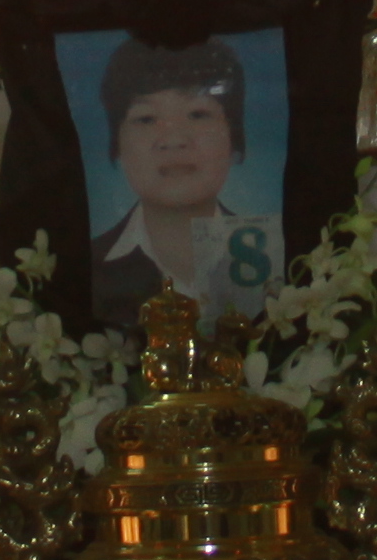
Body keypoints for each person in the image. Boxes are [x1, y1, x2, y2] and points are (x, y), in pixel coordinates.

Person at [86, 34, 284, 335]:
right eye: (146, 119)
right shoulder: (85, 267)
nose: (174, 139)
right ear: (118, 145)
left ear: (234, 139)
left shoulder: (279, 259)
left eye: (198, 114)